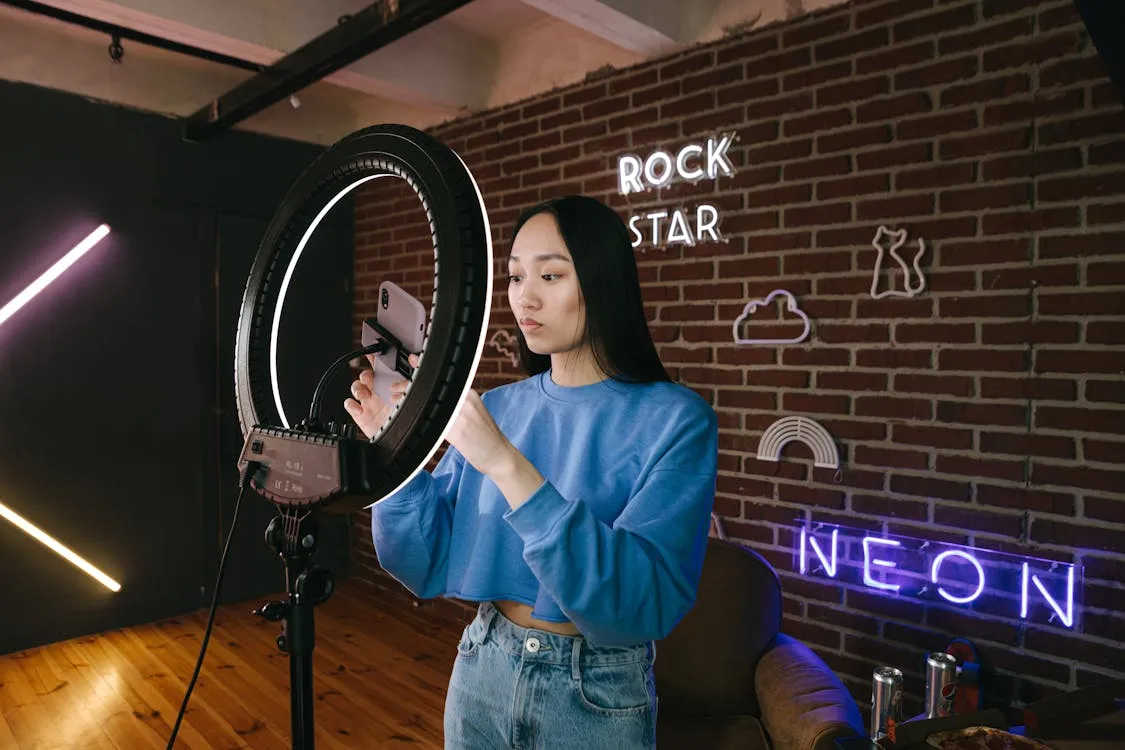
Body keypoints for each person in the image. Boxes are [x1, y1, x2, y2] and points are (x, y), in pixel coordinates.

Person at [344, 195, 719, 750]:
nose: (526, 297)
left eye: (550, 274)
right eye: (517, 277)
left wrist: (503, 461)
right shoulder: (497, 407)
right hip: (482, 670)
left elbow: (637, 602)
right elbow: (419, 563)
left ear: (602, 279)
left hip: (595, 692)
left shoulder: (677, 420)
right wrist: (394, 461)